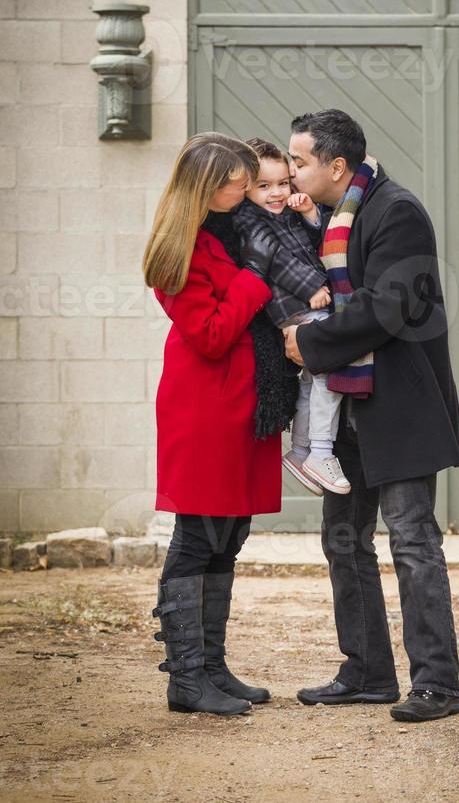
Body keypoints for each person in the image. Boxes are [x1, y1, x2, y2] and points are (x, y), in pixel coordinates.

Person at [282, 109, 459, 723]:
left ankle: (436, 685)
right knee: (343, 542)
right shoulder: (326, 219)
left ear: (336, 166)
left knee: (413, 543)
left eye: (300, 160)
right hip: (348, 410)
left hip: (400, 407)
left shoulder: (396, 211)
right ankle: (366, 673)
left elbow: (389, 306)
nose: (290, 170)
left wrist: (310, 343)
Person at [143, 132, 297, 716]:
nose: (247, 184)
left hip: (242, 403)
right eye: (238, 177)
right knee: (198, 538)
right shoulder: (178, 250)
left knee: (228, 538)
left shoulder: (231, 231)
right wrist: (255, 279)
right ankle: (185, 678)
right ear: (209, 185)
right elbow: (209, 334)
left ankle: (210, 666)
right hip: (206, 407)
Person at [231, 136, 350, 496]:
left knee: (311, 380)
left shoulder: (286, 213)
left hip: (305, 304)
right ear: (247, 187)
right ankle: (321, 451)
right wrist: (313, 286)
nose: (277, 193)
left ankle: (300, 452)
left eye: (284, 183)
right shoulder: (249, 220)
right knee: (329, 373)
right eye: (264, 186)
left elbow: (316, 240)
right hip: (294, 306)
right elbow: (276, 261)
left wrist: (310, 213)